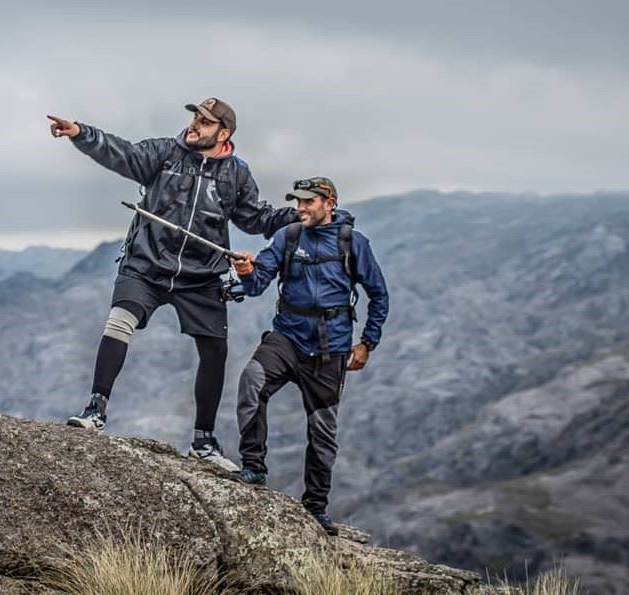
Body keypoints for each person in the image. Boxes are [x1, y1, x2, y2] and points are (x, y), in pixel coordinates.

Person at [47, 98, 297, 471]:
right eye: (195, 117)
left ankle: (203, 442)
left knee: (215, 352)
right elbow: (123, 154)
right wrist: (82, 134)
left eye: (205, 121)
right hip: (146, 264)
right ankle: (95, 410)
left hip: (202, 276)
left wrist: (302, 217)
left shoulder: (236, 174)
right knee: (119, 321)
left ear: (223, 133)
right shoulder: (165, 152)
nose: (195, 124)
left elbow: (255, 218)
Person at [229, 176, 388, 535]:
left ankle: (315, 507)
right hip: (287, 337)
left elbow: (379, 295)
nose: (300, 208)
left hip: (331, 347)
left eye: (308, 202)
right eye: (297, 202)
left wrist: (367, 343)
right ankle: (253, 467)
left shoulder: (353, 243)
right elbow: (256, 285)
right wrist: (245, 270)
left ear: (329, 203)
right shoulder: (287, 237)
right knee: (252, 380)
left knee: (322, 430)